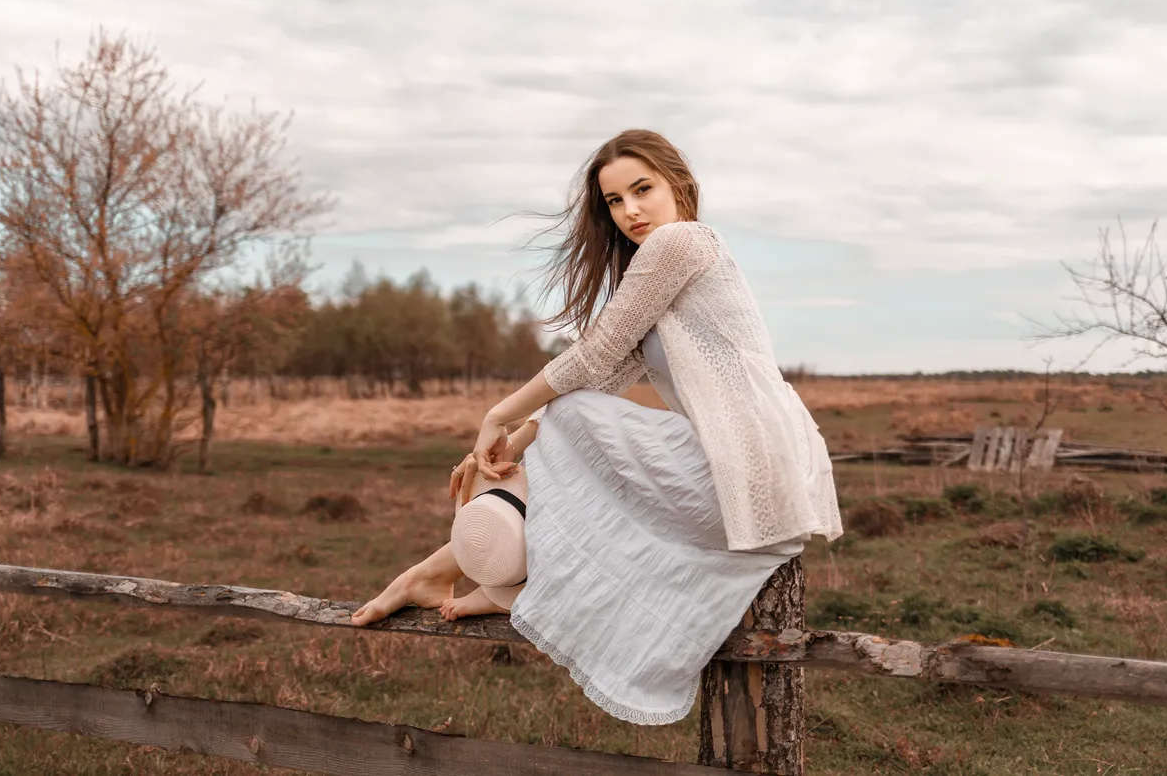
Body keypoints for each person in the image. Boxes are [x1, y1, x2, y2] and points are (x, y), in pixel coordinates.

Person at [352, 129, 842, 724]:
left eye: (643, 190)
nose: (630, 211)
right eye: (614, 201)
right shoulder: (668, 281)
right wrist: (508, 442)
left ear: (678, 186)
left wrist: (497, 416)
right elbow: (600, 375)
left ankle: (481, 579)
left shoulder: (683, 241)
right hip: (761, 468)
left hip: (747, 462)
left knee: (572, 414)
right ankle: (451, 574)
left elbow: (591, 356)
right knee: (568, 412)